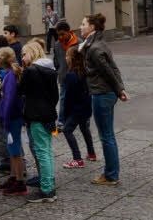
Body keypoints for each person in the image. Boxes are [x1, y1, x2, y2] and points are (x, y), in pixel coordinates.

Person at [81, 13, 128, 187]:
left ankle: (111, 175)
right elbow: (113, 67)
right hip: (105, 92)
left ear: (92, 27)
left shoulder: (95, 48)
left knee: (106, 135)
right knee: (108, 135)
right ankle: (111, 173)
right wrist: (120, 89)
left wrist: (119, 89)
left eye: (83, 24)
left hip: (102, 94)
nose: (81, 26)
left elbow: (109, 71)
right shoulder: (97, 44)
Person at [20, 39, 58, 203]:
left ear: (32, 53)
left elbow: (20, 90)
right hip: (49, 116)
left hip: (36, 116)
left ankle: (47, 190)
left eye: (24, 54)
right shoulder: (50, 70)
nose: (22, 58)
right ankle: (49, 182)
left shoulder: (31, 71)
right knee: (47, 151)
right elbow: (55, 96)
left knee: (41, 152)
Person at [0, 47, 27, 197]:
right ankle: (14, 177)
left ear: (1, 60)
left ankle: (20, 182)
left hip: (12, 118)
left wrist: (5, 119)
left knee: (15, 151)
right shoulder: (11, 73)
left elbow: (8, 100)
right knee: (12, 149)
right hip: (13, 117)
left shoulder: (9, 76)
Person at [59, 47, 97, 168]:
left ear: (72, 58)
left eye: (67, 56)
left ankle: (77, 159)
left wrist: (65, 115)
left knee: (67, 130)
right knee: (84, 128)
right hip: (86, 107)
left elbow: (68, 98)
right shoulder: (84, 71)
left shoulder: (70, 75)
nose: (65, 58)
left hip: (76, 109)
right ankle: (91, 153)